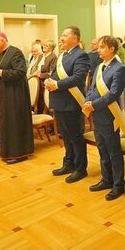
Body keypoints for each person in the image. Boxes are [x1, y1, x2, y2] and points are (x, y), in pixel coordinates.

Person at [82, 35, 125, 200]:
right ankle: (106, 179)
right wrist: (88, 100)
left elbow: (114, 93)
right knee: (102, 149)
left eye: (102, 47)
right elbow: (92, 88)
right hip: (97, 115)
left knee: (113, 151)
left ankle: (118, 185)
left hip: (109, 115)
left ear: (112, 49)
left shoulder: (119, 68)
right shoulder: (100, 67)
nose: (98, 50)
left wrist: (94, 104)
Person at [45, 26, 91, 183]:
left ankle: (80, 168)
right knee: (65, 135)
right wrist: (49, 80)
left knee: (75, 136)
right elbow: (55, 75)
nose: (61, 38)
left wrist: (56, 85)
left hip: (71, 102)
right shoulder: (63, 55)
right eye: (61, 35)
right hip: (59, 102)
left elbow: (78, 77)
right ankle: (69, 163)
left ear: (75, 38)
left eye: (65, 35)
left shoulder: (81, 55)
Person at [0, 33, 34, 164]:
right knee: (7, 122)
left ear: (3, 41)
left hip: (16, 94)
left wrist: (1, 73)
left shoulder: (15, 52)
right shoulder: (2, 54)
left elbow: (20, 72)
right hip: (6, 93)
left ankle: (20, 154)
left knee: (15, 122)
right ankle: (8, 151)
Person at [34, 39, 57, 114]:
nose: (43, 46)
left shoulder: (53, 57)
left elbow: (52, 73)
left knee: (43, 102)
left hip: (45, 82)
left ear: (51, 48)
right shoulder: (41, 56)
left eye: (46, 45)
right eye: (43, 45)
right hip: (37, 81)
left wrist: (40, 75)